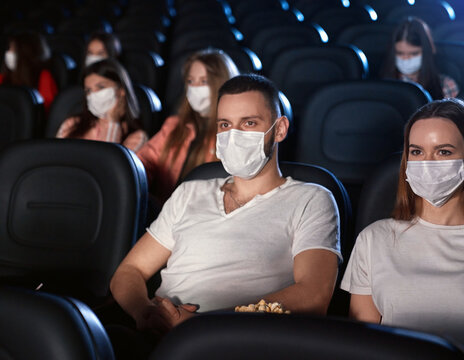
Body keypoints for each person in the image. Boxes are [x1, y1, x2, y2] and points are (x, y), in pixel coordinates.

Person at [109, 74, 341, 356]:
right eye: (225, 125)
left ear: (279, 129)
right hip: (156, 336)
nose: (234, 134)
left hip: (236, 342)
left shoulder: (312, 199)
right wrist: (145, 312)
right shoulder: (189, 192)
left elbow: (314, 295)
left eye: (249, 123)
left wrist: (203, 325)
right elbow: (129, 271)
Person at [341, 98, 464, 359]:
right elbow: (362, 343)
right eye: (417, 152)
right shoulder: (373, 238)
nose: (428, 163)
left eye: (443, 152)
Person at [136, 48, 239, 204]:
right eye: (191, 81)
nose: (195, 88)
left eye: (204, 81)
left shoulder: (235, 135)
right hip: (164, 213)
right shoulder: (174, 125)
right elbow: (144, 162)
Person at [56, 58, 147, 151]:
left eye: (100, 87)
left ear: (121, 91)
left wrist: (112, 123)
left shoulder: (137, 137)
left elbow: (106, 164)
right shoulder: (72, 124)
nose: (93, 94)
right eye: (88, 90)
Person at [380, 17, 458, 100]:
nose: (406, 59)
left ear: (426, 52)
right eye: (400, 53)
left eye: (414, 53)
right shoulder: (383, 87)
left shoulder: (445, 86)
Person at [0, 31, 58, 111]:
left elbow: (47, 111)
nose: (8, 53)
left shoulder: (44, 77)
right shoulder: (5, 75)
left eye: (12, 49)